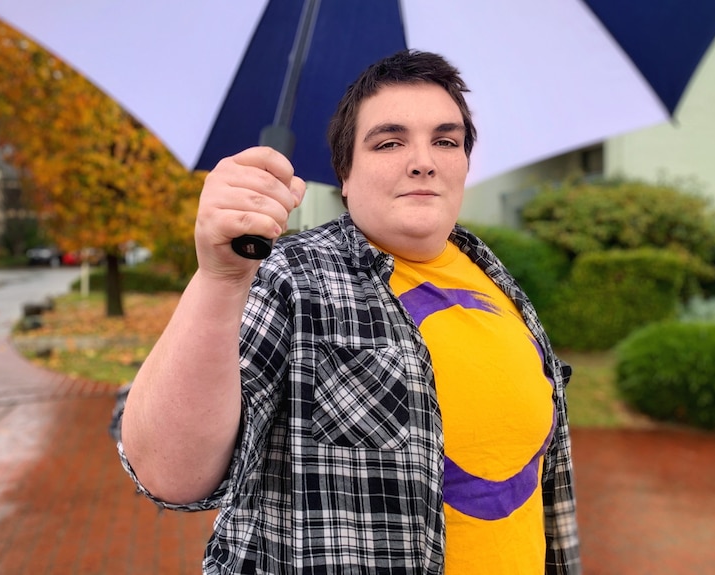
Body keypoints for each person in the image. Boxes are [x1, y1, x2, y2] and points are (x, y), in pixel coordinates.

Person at [119, 49, 580, 574]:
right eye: (389, 141)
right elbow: (169, 473)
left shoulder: (496, 281)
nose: (423, 160)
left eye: (445, 141)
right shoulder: (291, 276)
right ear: (345, 173)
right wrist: (220, 279)